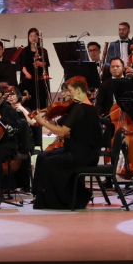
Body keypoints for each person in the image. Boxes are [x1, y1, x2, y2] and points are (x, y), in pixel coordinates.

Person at [26, 76, 101, 209]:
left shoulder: (80, 108)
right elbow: (67, 132)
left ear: (78, 90)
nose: (66, 94)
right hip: (78, 150)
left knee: (49, 163)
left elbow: (62, 132)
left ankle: (57, 200)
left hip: (82, 155)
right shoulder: (81, 107)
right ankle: (40, 196)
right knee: (43, 156)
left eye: (69, 90)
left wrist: (42, 121)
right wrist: (48, 118)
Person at [16, 28, 51, 107]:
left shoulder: (43, 50)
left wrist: (40, 63)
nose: (33, 38)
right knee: (28, 101)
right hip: (29, 79)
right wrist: (27, 74)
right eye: (31, 36)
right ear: (28, 38)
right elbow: (22, 65)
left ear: (38, 37)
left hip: (40, 79)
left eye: (35, 36)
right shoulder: (24, 51)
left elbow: (46, 63)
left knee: (41, 100)